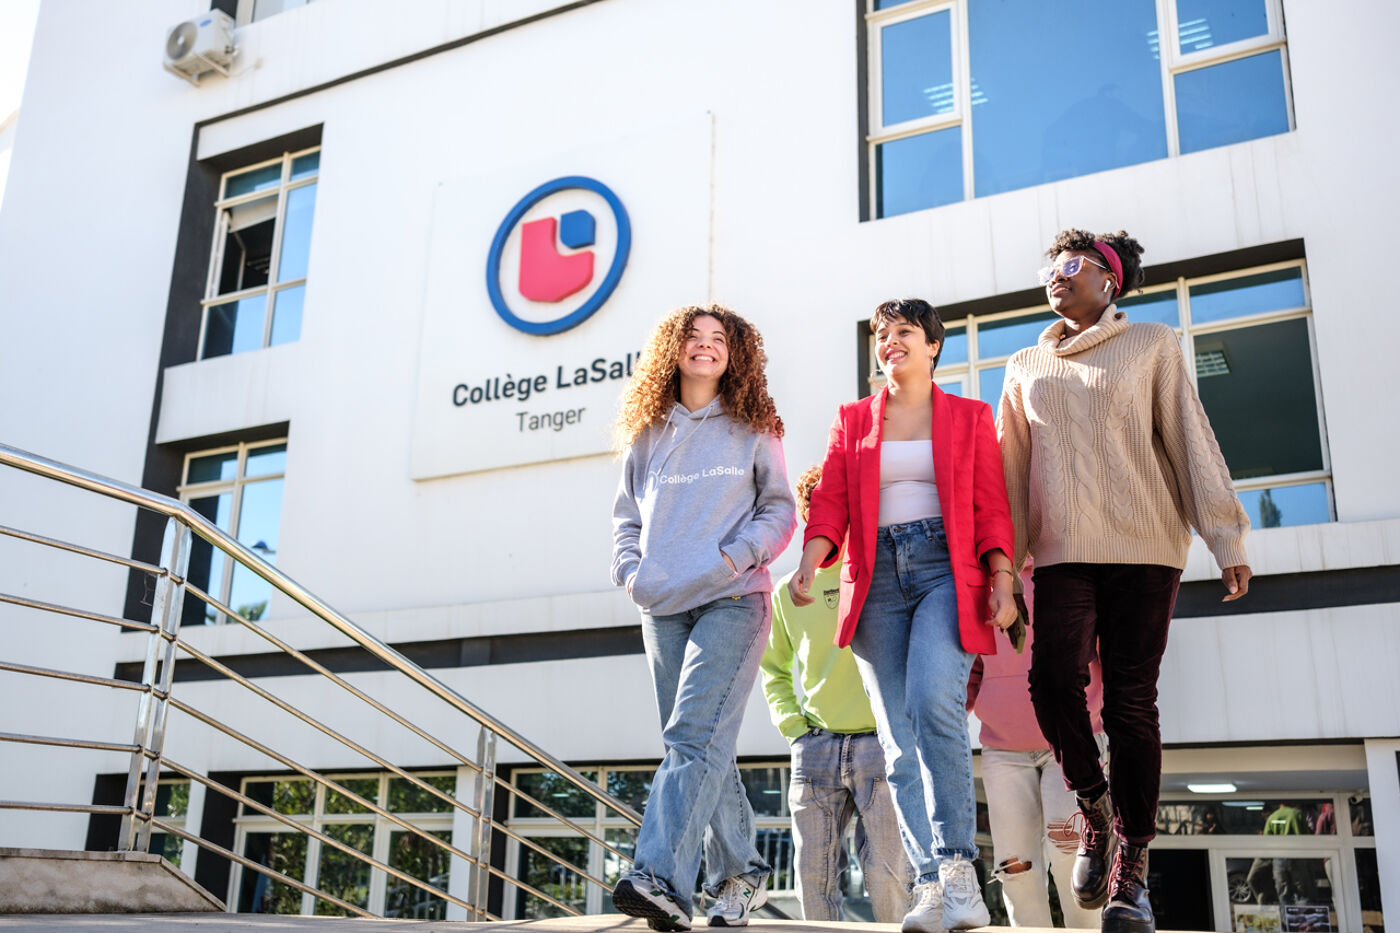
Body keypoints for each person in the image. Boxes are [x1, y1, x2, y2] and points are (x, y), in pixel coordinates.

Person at [998, 229, 1252, 933]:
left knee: (1132, 706)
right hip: (1061, 551)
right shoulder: (1023, 363)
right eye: (1053, 265)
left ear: (1111, 282)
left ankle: (1130, 874)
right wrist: (1004, 570)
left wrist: (1224, 533)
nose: (1059, 273)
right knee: (1052, 682)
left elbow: (1189, 438)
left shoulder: (1153, 344)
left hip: (1145, 547)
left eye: (1075, 265)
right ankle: (1095, 808)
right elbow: (1011, 475)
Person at [790, 298, 1018, 933]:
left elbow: (992, 506)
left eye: (905, 333)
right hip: (877, 582)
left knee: (931, 701)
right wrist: (812, 561)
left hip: (946, 567)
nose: (890, 342)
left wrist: (1003, 579)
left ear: (933, 346)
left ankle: (958, 871)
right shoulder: (853, 420)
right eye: (881, 336)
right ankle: (931, 888)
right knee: (896, 743)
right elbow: (831, 500)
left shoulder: (970, 417)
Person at [610, 304, 798, 931]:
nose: (706, 347)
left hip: (734, 599)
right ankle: (741, 874)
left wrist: (733, 559)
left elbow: (779, 511)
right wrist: (631, 571)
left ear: (734, 354)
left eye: (719, 339)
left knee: (690, 738)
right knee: (700, 743)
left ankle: (659, 879)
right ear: (673, 349)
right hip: (662, 606)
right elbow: (626, 518)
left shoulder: (753, 425)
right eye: (693, 337)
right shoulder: (648, 431)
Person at [761, 464, 914, 923]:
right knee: (814, 878)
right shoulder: (790, 590)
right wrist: (795, 730)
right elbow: (774, 668)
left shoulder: (881, 571)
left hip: (881, 747)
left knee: (888, 876)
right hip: (817, 748)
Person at [967, 561, 1107, 928]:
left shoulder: (1071, 568)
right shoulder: (980, 581)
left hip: (1073, 739)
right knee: (1015, 866)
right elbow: (973, 664)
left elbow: (1106, 649)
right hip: (1002, 747)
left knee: (1071, 854)